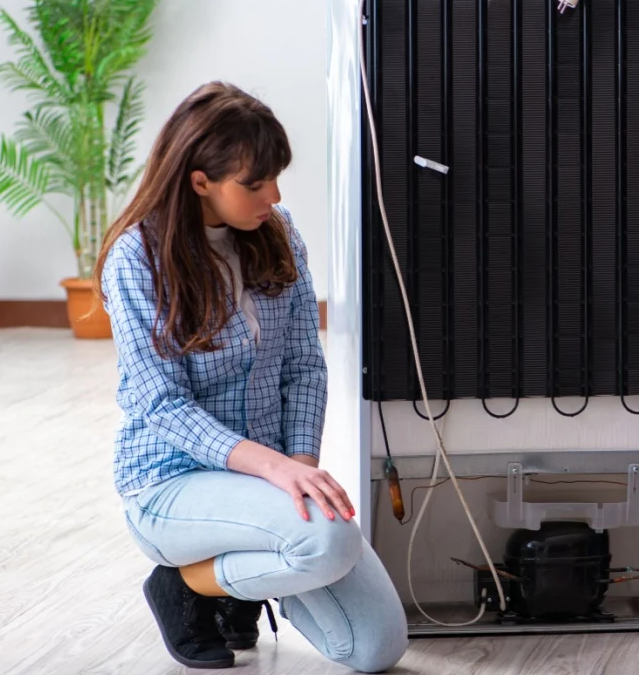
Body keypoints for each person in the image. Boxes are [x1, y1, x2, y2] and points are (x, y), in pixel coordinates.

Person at [94, 82, 408, 672]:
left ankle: (231, 582)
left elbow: (304, 368)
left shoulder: (279, 231)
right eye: (255, 183)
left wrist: (302, 470)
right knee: (328, 538)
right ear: (199, 181)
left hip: (267, 483)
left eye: (275, 177)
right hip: (170, 483)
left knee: (375, 650)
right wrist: (277, 470)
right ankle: (185, 584)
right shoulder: (136, 257)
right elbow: (160, 403)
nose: (274, 193)